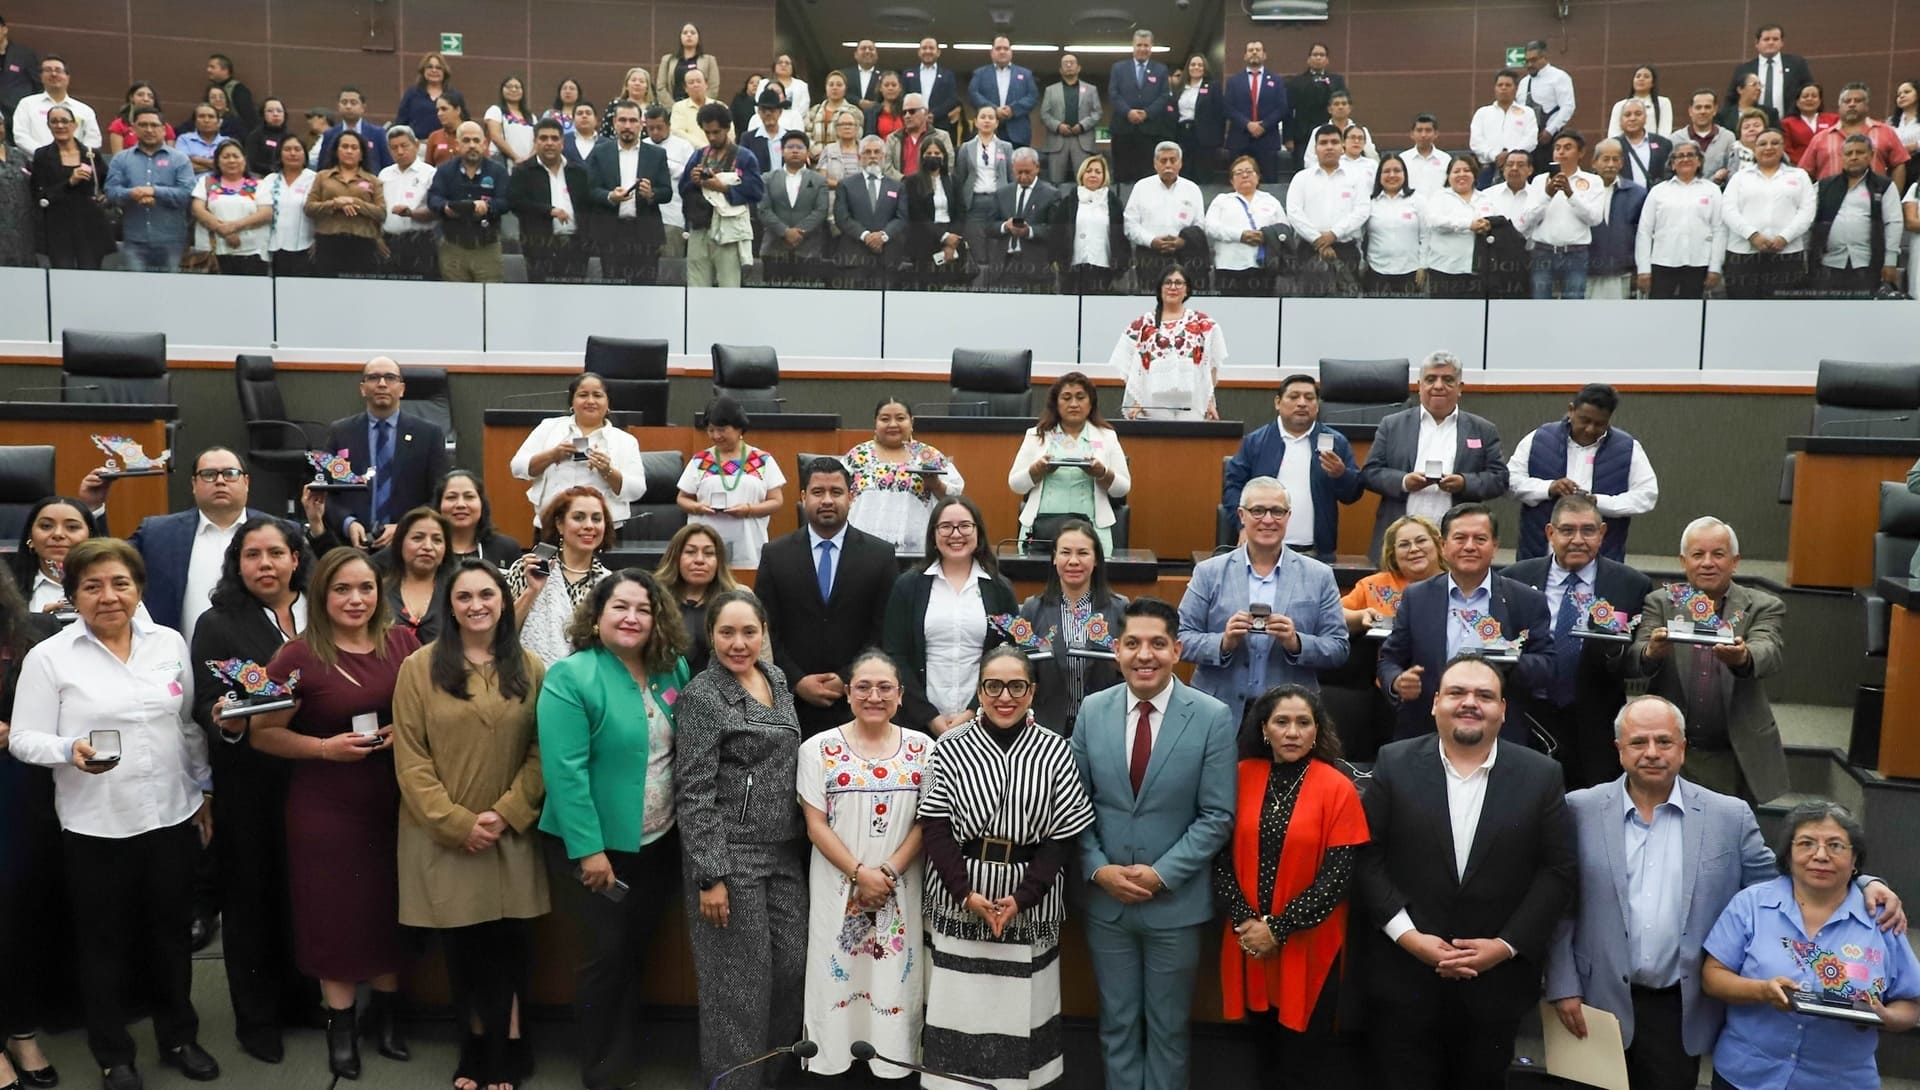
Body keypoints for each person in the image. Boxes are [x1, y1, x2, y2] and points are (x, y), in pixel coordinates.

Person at [1544, 697, 1908, 1090]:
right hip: (1592, 1001)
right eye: (1639, 742)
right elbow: (1559, 906)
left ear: (1683, 748)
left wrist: (1864, 882)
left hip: (1679, 1005)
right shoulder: (1579, 809)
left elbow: (1783, 881)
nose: (1652, 753)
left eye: (1664, 742)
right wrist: (1563, 985)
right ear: (1619, 749)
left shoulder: (1729, 817)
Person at [6, 539, 219, 1090]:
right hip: (96, 825)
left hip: (171, 817)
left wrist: (204, 791)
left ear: (139, 589)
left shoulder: (169, 642)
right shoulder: (50, 657)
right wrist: (67, 748)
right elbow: (25, 738)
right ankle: (113, 1054)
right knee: (104, 946)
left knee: (172, 937)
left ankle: (179, 1037)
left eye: (120, 583)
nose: (108, 596)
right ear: (73, 594)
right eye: (93, 586)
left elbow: (188, 726)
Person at [1353, 653, 1575, 1090]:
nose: (1470, 702)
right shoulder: (1394, 763)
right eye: (1457, 692)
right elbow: (1366, 857)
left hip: (1495, 987)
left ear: (1503, 709)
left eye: (1484, 695)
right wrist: (1410, 938)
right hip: (1404, 981)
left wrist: (1505, 946)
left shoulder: (1542, 774)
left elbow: (1559, 870)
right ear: (1435, 703)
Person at [247, 547, 416, 1079]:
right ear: (321, 594)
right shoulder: (295, 656)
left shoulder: (403, 641)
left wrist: (402, 731)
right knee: (335, 916)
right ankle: (340, 1029)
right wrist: (324, 749)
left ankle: (387, 1020)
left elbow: (426, 708)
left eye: (365, 588)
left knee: (389, 909)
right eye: (342, 589)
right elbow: (262, 734)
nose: (356, 599)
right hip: (326, 808)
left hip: (393, 800)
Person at [1068, 597, 1235, 1090]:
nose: (1146, 655)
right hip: (1106, 901)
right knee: (1116, 1025)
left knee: (1167, 1030)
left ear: (1177, 649)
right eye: (1134, 643)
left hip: (1175, 904)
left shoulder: (1211, 716)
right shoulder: (1092, 711)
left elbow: (1217, 815)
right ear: (1116, 650)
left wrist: (1162, 874)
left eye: (1158, 644)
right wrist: (1098, 869)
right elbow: (1073, 803)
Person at [393, 559, 546, 1090]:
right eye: (464, 596)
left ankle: (510, 1046)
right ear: (449, 605)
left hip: (509, 831)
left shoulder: (529, 666)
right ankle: (474, 1046)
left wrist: (505, 814)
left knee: (509, 944)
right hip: (445, 834)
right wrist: (458, 823)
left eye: (487, 594)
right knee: (462, 949)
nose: (477, 604)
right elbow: (410, 758)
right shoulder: (419, 668)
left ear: (504, 601)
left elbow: (542, 752)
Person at [537, 568, 690, 1090]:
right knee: (603, 958)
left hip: (657, 843)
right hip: (594, 851)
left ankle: (625, 1054)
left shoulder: (673, 670)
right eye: (620, 607)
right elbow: (565, 774)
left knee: (635, 951)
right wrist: (590, 852)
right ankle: (601, 1070)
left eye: (643, 609)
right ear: (597, 616)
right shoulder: (571, 676)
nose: (632, 617)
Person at [922, 645, 1096, 1090]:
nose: (1005, 696)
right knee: (958, 1009)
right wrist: (964, 894)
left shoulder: (1056, 750)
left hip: (1030, 901)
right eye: (993, 685)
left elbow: (1062, 837)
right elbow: (936, 830)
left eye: (1016, 686)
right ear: (978, 691)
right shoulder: (949, 747)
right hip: (961, 896)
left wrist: (1023, 898)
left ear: (1032, 691)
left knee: (1022, 1015)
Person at [187, 517, 311, 1065]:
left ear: (295, 559)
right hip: (251, 784)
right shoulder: (218, 624)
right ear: (237, 564)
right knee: (251, 902)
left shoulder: (326, 609)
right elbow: (206, 704)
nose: (265, 564)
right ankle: (257, 1019)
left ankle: (304, 999)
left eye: (275, 553)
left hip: (319, 774)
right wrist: (228, 722)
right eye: (252, 554)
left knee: (306, 895)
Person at [676, 589, 807, 1090]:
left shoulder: (775, 678)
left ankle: (769, 1079)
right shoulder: (704, 696)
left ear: (764, 633)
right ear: (710, 635)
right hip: (730, 860)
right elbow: (694, 790)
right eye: (726, 632)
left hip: (783, 855)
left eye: (748, 631)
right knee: (739, 988)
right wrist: (711, 874)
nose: (738, 642)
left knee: (790, 971)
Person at [1211, 685, 1367, 1088]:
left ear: (1318, 731)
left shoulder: (1338, 787)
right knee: (1263, 1055)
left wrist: (1276, 929)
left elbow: (1337, 878)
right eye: (1282, 722)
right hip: (1249, 942)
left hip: (1308, 943)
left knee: (1302, 1062)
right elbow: (1220, 858)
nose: (1293, 732)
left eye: (1303, 722)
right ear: (1264, 729)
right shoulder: (1240, 776)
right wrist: (1247, 921)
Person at [1704, 799, 1920, 1090]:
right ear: (1788, 853)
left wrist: (1885, 1016)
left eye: (1835, 845)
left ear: (1855, 859)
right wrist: (1762, 991)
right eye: (1806, 843)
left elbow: (1911, 1002)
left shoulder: (1883, 919)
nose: (1820, 855)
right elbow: (1713, 975)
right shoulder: (1752, 904)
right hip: (1746, 1075)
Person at [796, 649, 931, 1082]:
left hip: (900, 885)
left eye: (885, 687)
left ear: (901, 695)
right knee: (836, 971)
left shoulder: (924, 749)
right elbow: (815, 824)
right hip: (839, 885)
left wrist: (887, 872)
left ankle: (893, 1062)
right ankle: (832, 1059)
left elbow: (928, 822)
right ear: (848, 694)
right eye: (864, 686)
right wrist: (860, 873)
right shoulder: (817, 749)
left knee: (894, 976)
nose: (874, 695)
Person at [1628, 516, 1788, 805]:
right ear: (1683, 560)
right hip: (1670, 753)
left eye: (1718, 554)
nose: (1707, 563)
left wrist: (1744, 657)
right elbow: (1637, 654)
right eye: (1698, 554)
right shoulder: (1660, 602)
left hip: (1734, 752)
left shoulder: (1763, 605)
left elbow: (1769, 648)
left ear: (1735, 561)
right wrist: (1652, 652)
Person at [1503, 494, 1654, 788]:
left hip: (1596, 725)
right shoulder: (1514, 579)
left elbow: (1636, 663)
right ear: (1550, 533)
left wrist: (1617, 652)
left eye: (1588, 530)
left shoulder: (1631, 585)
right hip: (1529, 718)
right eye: (1567, 530)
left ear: (1602, 534)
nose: (1577, 539)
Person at [1179, 476, 1348, 730]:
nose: (1268, 519)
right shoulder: (1208, 572)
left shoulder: (1319, 575)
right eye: (1258, 510)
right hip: (1217, 711)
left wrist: (1296, 643)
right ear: (1241, 515)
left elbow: (1338, 648)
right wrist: (1223, 643)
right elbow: (1180, 640)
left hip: (1289, 717)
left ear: (1288, 516)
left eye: (1277, 511)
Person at [1377, 504, 1555, 742]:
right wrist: (1397, 681)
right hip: (1426, 729)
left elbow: (1547, 665)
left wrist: (1509, 661)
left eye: (1480, 538)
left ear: (1495, 546)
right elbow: (1389, 658)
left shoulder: (1525, 600)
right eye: (1460, 538)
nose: (1469, 546)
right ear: (1443, 545)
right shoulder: (1416, 597)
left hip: (1499, 733)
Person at [754, 457, 898, 737]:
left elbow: (884, 630)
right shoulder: (775, 555)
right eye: (818, 492)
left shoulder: (880, 556)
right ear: (804, 497)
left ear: (851, 496)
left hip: (858, 701)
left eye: (837, 492)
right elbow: (766, 631)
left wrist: (847, 677)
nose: (828, 500)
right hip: (790, 705)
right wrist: (796, 681)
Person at [0, 564, 66, 1090]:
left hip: (14, 792)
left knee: (14, 912)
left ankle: (20, 1029)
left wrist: (15, 733)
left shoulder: (32, 635)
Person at [883, 496, 1017, 735]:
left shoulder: (999, 589)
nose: (956, 534)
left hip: (984, 720)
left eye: (965, 526)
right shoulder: (908, 586)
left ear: (979, 533)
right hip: (917, 723)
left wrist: (973, 712)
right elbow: (896, 655)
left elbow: (1011, 654)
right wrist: (929, 716)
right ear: (933, 534)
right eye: (946, 526)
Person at [1358, 352, 1508, 563]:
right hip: (1401, 542)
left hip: (1456, 546)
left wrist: (1464, 483)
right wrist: (1404, 481)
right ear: (1419, 385)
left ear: (1460, 387)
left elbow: (1499, 479)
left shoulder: (1482, 429)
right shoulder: (1392, 425)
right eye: (1431, 379)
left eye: (1447, 380)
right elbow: (1369, 473)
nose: (1438, 386)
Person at [1508, 383, 1660, 561]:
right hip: (1539, 555)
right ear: (1571, 410)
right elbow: (1508, 481)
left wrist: (1599, 502)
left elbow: (1647, 496)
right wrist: (1548, 488)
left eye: (1599, 424)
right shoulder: (1538, 439)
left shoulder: (1627, 448)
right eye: (1585, 420)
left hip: (1603, 557)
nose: (1590, 429)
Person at [320, 358, 453, 549]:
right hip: (352, 544)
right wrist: (347, 523)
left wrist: (406, 527)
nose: (382, 384)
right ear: (363, 388)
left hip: (409, 545)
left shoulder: (428, 434)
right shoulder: (341, 432)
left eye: (390, 378)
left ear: (402, 389)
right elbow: (325, 492)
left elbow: (439, 496)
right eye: (374, 377)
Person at [1018, 519, 1127, 738]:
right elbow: (1020, 672)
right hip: (1045, 729)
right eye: (1065, 552)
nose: (1074, 561)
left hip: (1105, 727)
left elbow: (1127, 674)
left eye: (1083, 553)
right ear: (1054, 559)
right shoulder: (1033, 609)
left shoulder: (1120, 608)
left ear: (1096, 559)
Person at [1009, 372, 1131, 556]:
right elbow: (1015, 484)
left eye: (1080, 397)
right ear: (1056, 403)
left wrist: (1102, 473)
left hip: (1092, 531)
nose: (1074, 404)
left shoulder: (1107, 437)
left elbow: (1122, 488)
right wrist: (1038, 469)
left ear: (1091, 403)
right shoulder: (1036, 435)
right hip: (1041, 531)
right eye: (1066, 398)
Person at [509, 371, 646, 533]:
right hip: (552, 526)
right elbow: (517, 468)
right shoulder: (549, 427)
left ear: (608, 403)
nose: (590, 401)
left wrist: (607, 471)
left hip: (601, 530)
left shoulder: (625, 441)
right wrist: (552, 455)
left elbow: (637, 490)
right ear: (572, 402)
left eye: (597, 395)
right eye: (583, 395)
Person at [675, 396, 787, 569]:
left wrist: (749, 510)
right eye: (711, 430)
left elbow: (776, 501)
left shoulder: (762, 460)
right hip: (705, 545)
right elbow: (682, 499)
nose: (715, 436)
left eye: (721, 430)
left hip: (749, 543)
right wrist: (697, 508)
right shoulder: (700, 460)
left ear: (739, 427)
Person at [507, 486, 611, 666]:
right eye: (578, 517)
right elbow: (500, 633)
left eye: (597, 518)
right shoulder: (527, 568)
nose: (589, 525)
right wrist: (532, 591)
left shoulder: (610, 583)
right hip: (530, 679)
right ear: (559, 524)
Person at [845, 396, 965, 553]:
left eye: (900, 418)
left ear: (911, 422)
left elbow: (955, 499)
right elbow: (837, 493)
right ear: (875, 424)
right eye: (885, 419)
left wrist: (935, 484)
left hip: (915, 549)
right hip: (861, 549)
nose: (893, 424)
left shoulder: (928, 456)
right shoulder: (858, 455)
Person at [1111, 266, 1222, 422]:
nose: (1173, 287)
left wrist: (1209, 401)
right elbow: (1131, 365)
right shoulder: (1144, 324)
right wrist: (1138, 399)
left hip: (1192, 401)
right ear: (1160, 288)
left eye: (1178, 283)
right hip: (1154, 402)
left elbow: (1212, 366)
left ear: (1187, 289)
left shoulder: (1202, 323)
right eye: (1168, 282)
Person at [588, 100, 673, 285]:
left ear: (641, 124)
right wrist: (610, 196)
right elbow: (589, 190)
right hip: (611, 232)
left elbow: (667, 192)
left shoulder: (656, 154)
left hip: (646, 234)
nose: (628, 126)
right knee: (613, 290)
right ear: (614, 123)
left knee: (646, 291)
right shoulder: (600, 152)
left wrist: (651, 194)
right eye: (623, 120)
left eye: (633, 120)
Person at [1723, 128, 1815, 298]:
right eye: (1762, 144)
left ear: (1783, 148)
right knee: (1742, 308)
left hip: (1787, 253)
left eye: (1775, 143)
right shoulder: (1740, 177)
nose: (1768, 147)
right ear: (1754, 149)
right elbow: (1728, 210)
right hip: (1744, 254)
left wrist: (1784, 237)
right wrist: (1752, 235)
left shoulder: (1799, 176)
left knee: (1783, 311)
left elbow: (1807, 212)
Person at [1810, 133, 1905, 296]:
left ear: (1871, 155)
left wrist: (1890, 261)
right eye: (1848, 153)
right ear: (1842, 157)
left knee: (1865, 317)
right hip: (1828, 263)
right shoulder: (1824, 186)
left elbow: (1894, 223)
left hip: (1867, 263)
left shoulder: (1883, 186)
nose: (1853, 157)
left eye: (1859, 152)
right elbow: (1808, 222)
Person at [683, 102, 764, 288]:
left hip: (729, 230)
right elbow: (683, 190)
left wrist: (724, 187)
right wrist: (694, 182)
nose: (711, 137)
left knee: (729, 285)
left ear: (727, 128)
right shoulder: (698, 156)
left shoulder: (744, 157)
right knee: (696, 285)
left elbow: (756, 191)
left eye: (716, 132)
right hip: (700, 227)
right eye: (707, 132)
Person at [105, 105, 196, 272]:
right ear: (133, 129)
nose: (149, 130)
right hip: (135, 239)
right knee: (137, 291)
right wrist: (133, 193)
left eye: (154, 125)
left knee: (171, 291)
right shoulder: (121, 159)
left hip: (172, 239)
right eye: (143, 125)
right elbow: (111, 192)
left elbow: (187, 193)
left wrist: (155, 191)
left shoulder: (179, 159)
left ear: (163, 129)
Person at [1636, 141, 1726, 297]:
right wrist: (1643, 269)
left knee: (1693, 315)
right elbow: (1644, 231)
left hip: (1699, 263)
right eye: (1680, 156)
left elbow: (1719, 230)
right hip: (1663, 262)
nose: (1685, 159)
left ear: (1699, 161)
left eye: (1691, 155)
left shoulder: (1712, 190)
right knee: (1660, 314)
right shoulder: (1658, 191)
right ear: (1672, 164)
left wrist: (1715, 267)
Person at [1285, 125, 1366, 296]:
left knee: (1347, 307)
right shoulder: (1302, 178)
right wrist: (1317, 240)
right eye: (1323, 143)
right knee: (1308, 306)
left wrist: (1333, 234)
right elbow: (1294, 212)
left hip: (1345, 251)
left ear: (1342, 147)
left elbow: (1362, 211)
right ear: (1315, 149)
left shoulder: (1356, 178)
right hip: (1308, 249)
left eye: (1334, 142)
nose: (1329, 147)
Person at [30, 104, 113, 269]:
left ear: (74, 125)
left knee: (90, 277)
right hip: (58, 229)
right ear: (48, 126)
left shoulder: (91, 154)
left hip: (90, 227)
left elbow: (109, 183)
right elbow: (38, 194)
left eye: (64, 121)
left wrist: (105, 196)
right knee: (62, 277)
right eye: (54, 121)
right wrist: (69, 183)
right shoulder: (42, 156)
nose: (60, 126)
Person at [428, 120, 510, 283]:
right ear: (457, 145)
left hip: (487, 248)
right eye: (466, 141)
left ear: (484, 144)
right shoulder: (445, 170)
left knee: (492, 300)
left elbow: (506, 201)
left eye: (476, 140)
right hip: (453, 248)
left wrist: (488, 206)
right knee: (456, 302)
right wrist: (445, 208)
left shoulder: (498, 171)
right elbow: (433, 198)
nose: (472, 145)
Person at [506, 117, 588, 282]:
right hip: (539, 246)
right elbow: (515, 203)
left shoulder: (578, 172)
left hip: (575, 247)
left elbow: (587, 206)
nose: (549, 143)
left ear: (562, 143)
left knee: (575, 298)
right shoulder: (523, 171)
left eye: (554, 138)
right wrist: (549, 211)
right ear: (535, 142)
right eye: (543, 138)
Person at [652, 523, 738, 675]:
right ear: (676, 557)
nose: (699, 560)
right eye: (690, 552)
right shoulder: (653, 597)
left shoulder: (737, 599)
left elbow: (759, 659)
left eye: (709, 553)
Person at [1527, 131, 1605, 298]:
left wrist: (1570, 194)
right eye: (1557, 148)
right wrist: (1547, 195)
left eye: (1567, 148)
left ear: (1581, 153)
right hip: (1543, 252)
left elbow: (1595, 219)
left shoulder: (1593, 181)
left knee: (1574, 305)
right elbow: (1528, 219)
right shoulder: (1540, 181)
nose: (1561, 152)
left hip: (1576, 253)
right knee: (1539, 303)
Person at [1340, 515, 1444, 636]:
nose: (1414, 549)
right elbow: (1331, 614)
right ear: (1392, 553)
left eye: (1421, 541)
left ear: (1439, 544)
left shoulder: (1457, 582)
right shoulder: (1372, 585)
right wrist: (1359, 617)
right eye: (1404, 545)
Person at [303, 128, 385, 278]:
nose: (349, 151)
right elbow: (309, 208)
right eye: (344, 147)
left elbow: (381, 213)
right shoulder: (322, 177)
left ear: (361, 154)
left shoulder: (373, 180)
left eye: (354, 148)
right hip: (328, 243)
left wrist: (356, 202)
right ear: (336, 151)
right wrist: (335, 204)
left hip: (363, 244)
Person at [1123, 142, 1206, 288]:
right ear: (1155, 164)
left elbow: (1200, 225)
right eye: (1163, 161)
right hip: (1149, 255)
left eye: (1173, 160)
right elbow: (1130, 224)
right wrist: (1151, 241)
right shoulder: (1141, 187)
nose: (1168, 165)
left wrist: (1182, 241)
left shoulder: (1192, 189)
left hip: (1183, 255)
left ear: (1180, 163)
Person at [1799, 83, 1909, 193]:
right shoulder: (1820, 138)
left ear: (1867, 105)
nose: (1852, 104)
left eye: (1858, 101)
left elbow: (1899, 164)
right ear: (1839, 106)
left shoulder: (1886, 132)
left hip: (1875, 201)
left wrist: (1895, 196)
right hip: (1829, 203)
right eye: (1847, 101)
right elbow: (1804, 173)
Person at [1206, 154, 1288, 296]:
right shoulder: (1222, 200)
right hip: (1229, 266)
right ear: (1232, 180)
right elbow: (1210, 227)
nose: (1244, 175)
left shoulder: (1270, 200)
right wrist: (1240, 235)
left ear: (1257, 176)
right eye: (1239, 173)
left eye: (1249, 171)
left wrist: (1266, 236)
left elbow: (1284, 228)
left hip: (1264, 267)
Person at [833, 134, 906, 289]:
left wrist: (883, 236)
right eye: (867, 152)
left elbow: (902, 217)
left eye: (877, 152)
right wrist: (866, 236)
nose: (872, 156)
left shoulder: (897, 186)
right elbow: (842, 217)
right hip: (854, 257)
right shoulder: (846, 185)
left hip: (888, 258)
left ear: (884, 156)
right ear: (859, 157)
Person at [190, 139, 272, 274]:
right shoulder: (206, 182)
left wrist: (233, 227)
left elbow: (266, 213)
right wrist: (222, 230)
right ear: (217, 161)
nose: (231, 160)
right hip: (213, 252)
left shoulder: (259, 184)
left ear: (244, 160)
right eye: (226, 157)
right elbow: (197, 209)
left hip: (252, 253)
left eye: (236, 156)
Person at [11, 496, 102, 615]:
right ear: (30, 538)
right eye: (46, 526)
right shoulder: (7, 591)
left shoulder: (112, 588)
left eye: (72, 527)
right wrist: (40, 624)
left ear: (90, 537)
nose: (58, 534)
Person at [759, 130, 829, 285]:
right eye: (790, 147)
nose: (795, 150)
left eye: (800, 147)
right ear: (782, 152)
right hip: (774, 248)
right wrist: (785, 232)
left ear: (807, 153)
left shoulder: (819, 181)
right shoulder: (767, 179)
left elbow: (821, 211)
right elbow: (763, 210)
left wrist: (798, 233)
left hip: (808, 250)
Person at [1051, 153, 1128, 294]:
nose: (1093, 175)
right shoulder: (1068, 202)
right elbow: (1057, 234)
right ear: (1082, 174)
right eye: (1089, 171)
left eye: (1098, 172)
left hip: (1104, 267)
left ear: (1104, 176)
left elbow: (1121, 236)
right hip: (1073, 268)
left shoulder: (1114, 203)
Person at [373, 507, 451, 643]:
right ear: (400, 543)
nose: (428, 546)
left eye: (437, 540)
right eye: (417, 538)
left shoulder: (457, 593)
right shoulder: (378, 590)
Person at [902, 134, 967, 286]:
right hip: (924, 240)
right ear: (922, 156)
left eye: (937, 153)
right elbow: (917, 214)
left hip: (952, 238)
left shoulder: (953, 180)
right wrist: (944, 236)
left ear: (944, 156)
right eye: (929, 153)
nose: (933, 156)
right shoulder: (912, 182)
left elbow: (961, 212)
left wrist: (952, 240)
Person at [1108, 30, 1172, 184]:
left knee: (1148, 176)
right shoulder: (1118, 68)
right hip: (1123, 129)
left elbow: (1164, 96)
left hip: (1150, 131)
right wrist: (1128, 112)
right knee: (1122, 175)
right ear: (1133, 46)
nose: (1142, 49)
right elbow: (1113, 93)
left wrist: (1147, 113)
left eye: (1146, 45)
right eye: (1139, 45)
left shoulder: (1161, 70)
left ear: (1151, 47)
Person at [1418, 155, 1485, 297]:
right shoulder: (1439, 196)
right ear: (1448, 176)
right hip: (1444, 270)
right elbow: (1434, 220)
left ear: (1474, 174)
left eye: (1467, 170)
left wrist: (1487, 224)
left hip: (1475, 270)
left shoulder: (1485, 198)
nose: (1462, 174)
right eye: (1456, 171)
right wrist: (1468, 224)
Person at [379, 125, 440, 280]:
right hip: (389, 242)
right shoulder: (384, 174)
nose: (400, 151)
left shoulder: (430, 173)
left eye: (404, 146)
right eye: (394, 148)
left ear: (416, 145)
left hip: (421, 242)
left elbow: (436, 210)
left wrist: (411, 214)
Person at [1222, 40, 1287, 185]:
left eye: (1258, 49)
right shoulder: (1234, 81)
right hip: (1240, 139)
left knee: (1268, 183)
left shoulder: (1276, 80)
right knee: (1239, 182)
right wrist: (1247, 124)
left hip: (1267, 139)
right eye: (1250, 50)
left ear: (1264, 55)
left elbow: (1282, 108)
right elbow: (1228, 107)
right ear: (1245, 56)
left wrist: (1263, 125)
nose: (1254, 52)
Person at [954, 106, 1013, 260]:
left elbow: (1011, 176)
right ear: (976, 122)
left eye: (991, 117)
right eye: (983, 117)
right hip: (975, 203)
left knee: (996, 250)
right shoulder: (966, 148)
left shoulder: (1006, 147)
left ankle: (994, 282)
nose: (987, 120)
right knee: (976, 250)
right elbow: (960, 177)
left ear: (997, 123)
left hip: (998, 202)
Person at [10, 55, 98, 151]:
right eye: (48, 70)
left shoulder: (84, 110)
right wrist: (43, 155)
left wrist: (76, 156)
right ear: (41, 76)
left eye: (58, 70)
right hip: (36, 163)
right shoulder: (27, 104)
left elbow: (94, 140)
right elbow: (20, 136)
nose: (54, 74)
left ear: (67, 77)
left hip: (76, 164)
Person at [1039, 53, 1100, 185]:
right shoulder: (1050, 90)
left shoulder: (1091, 89)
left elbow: (1097, 113)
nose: (1068, 65)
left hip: (1082, 141)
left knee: (1084, 181)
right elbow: (1044, 114)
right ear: (1060, 70)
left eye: (1072, 62)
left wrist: (1083, 125)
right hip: (1057, 141)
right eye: (1065, 63)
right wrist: (1058, 126)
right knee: (1055, 182)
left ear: (1079, 68)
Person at [1364, 154, 1422, 295]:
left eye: (1397, 170)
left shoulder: (1417, 199)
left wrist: (1423, 266)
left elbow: (1427, 234)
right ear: (1379, 175)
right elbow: (1359, 235)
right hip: (1376, 270)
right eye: (1386, 171)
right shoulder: (1369, 202)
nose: (1392, 175)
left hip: (1411, 271)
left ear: (1405, 174)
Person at [967, 36, 1038, 149]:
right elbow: (973, 94)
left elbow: (1032, 96)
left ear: (1011, 52)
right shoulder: (980, 73)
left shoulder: (1025, 74)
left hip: (1018, 133)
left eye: (1006, 48)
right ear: (991, 52)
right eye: (998, 48)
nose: (1002, 51)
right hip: (987, 131)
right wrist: (994, 110)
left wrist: (1013, 110)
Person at [1730, 23, 1812, 119]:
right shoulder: (1744, 69)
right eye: (1766, 39)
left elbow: (1810, 90)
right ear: (1757, 43)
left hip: (1790, 124)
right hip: (1754, 124)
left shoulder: (1797, 64)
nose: (1771, 42)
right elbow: (1732, 98)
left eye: (1775, 39)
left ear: (1782, 43)